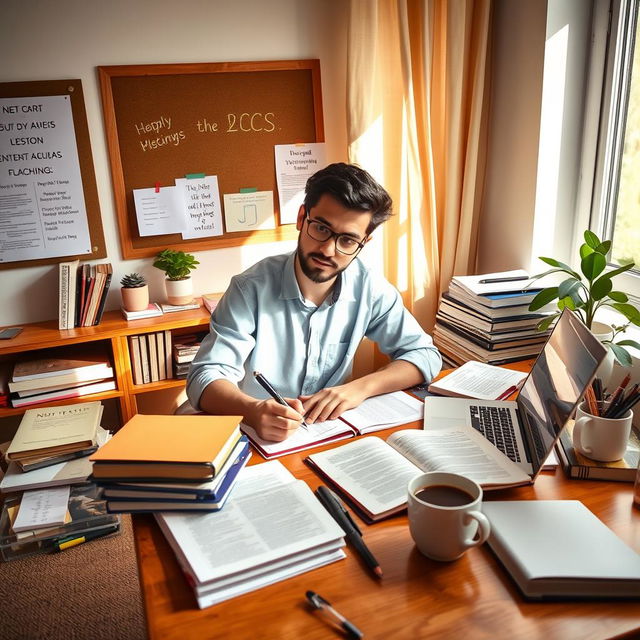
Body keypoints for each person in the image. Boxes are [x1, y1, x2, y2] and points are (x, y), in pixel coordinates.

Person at [187, 162, 441, 441]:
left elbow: (424, 355)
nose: (328, 249)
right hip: (257, 435)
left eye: (347, 240)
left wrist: (359, 388)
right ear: (301, 218)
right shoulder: (249, 289)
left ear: (364, 243)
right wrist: (254, 409)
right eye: (321, 228)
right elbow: (205, 376)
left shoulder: (370, 288)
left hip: (326, 434)